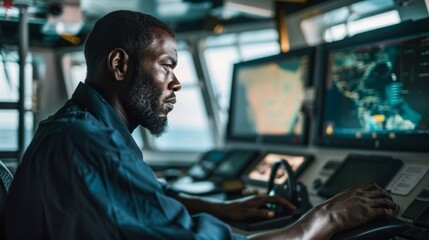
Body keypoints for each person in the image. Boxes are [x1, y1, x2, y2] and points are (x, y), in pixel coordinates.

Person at [3, 10, 399, 240]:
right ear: (120, 64)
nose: (175, 82)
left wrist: (220, 208)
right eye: (166, 66)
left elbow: (131, 200)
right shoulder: (89, 145)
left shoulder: (72, 128)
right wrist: (325, 218)